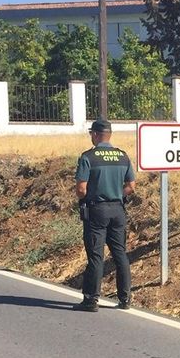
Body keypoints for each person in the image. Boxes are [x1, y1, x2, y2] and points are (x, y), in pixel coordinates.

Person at [73, 119, 135, 312]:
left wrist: (91, 196)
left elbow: (81, 189)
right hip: (118, 210)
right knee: (120, 254)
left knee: (96, 256)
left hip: (97, 211)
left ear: (95, 134)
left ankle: (91, 300)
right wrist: (116, 194)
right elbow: (131, 186)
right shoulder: (122, 156)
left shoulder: (88, 157)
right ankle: (125, 299)